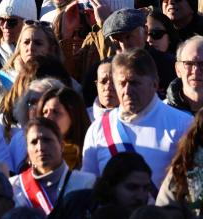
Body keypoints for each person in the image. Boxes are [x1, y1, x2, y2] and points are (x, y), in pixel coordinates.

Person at [82, 48, 192, 189]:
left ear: (155, 84)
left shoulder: (183, 125)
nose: (127, 91)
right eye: (122, 84)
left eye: (134, 83)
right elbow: (88, 187)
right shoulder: (98, 129)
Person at [0, 20, 61, 124]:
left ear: (51, 49)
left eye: (38, 43)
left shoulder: (65, 82)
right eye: (26, 42)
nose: (30, 48)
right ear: (19, 47)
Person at [10, 118, 96, 215]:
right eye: (34, 142)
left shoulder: (87, 182)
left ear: (62, 146)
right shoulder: (14, 187)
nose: (40, 147)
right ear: (27, 151)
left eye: (47, 140)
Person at [50, 152, 154, 218]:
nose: (141, 196)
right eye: (132, 188)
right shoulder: (76, 203)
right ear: (111, 185)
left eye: (146, 188)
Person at [35, 87, 91, 170]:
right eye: (45, 112)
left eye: (55, 112)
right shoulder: (34, 156)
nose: (48, 117)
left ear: (73, 117)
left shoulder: (89, 157)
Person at [166, 35, 203, 114]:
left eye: (202, 64)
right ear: (178, 69)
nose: (195, 70)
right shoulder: (162, 112)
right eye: (189, 63)